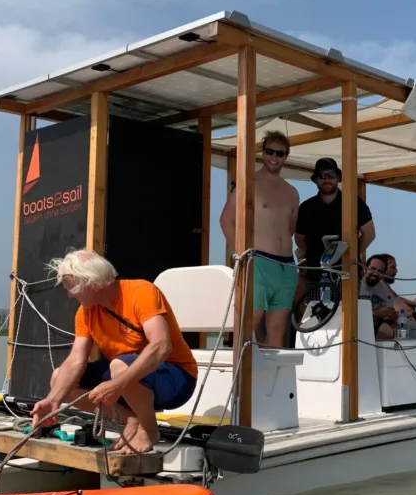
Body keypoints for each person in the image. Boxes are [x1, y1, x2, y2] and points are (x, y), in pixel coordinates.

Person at [30, 249, 199, 454]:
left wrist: (117, 385)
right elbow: (76, 360)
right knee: (60, 379)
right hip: (125, 377)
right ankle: (131, 420)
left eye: (71, 287)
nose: (69, 294)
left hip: (176, 380)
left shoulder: (141, 292)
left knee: (119, 366)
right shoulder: (85, 312)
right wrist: (53, 400)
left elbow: (161, 345)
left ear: (91, 283)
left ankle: (149, 429)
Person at [219, 130, 300, 348]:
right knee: (250, 324)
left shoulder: (292, 191)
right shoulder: (249, 182)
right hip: (258, 261)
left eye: (280, 153)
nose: (274, 157)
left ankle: (270, 381)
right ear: (262, 153)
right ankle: (244, 379)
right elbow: (226, 220)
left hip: (286, 265)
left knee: (278, 328)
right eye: (270, 151)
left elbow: (290, 228)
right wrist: (240, 255)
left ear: (286, 156)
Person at [294, 157, 376, 303]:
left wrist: (352, 253)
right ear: (316, 180)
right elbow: (299, 239)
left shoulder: (354, 203)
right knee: (316, 320)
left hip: (347, 275)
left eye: (331, 175)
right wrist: (314, 254)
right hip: (315, 275)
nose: (327, 180)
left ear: (338, 178)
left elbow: (369, 234)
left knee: (347, 323)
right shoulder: (306, 208)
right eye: (322, 176)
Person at [359, 255, 399, 340]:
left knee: (393, 326)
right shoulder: (355, 285)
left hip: (376, 326)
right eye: (373, 269)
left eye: (379, 271)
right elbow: (348, 313)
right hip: (358, 326)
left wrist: (390, 316)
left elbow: (387, 310)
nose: (376, 273)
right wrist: (375, 313)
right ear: (365, 269)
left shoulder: (382, 287)